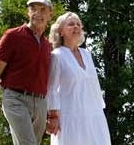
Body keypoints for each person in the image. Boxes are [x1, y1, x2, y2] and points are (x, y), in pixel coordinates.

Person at [0, 0, 59, 144]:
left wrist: (52, 113)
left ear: (50, 15)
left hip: (41, 103)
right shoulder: (13, 36)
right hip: (15, 99)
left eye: (43, 10)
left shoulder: (47, 45)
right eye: (33, 9)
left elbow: (51, 82)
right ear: (28, 13)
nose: (38, 13)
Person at [46, 11, 111, 145]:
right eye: (70, 24)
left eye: (78, 24)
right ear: (61, 31)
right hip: (69, 117)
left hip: (94, 115)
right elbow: (51, 88)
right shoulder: (57, 55)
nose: (76, 27)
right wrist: (53, 116)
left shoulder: (87, 54)